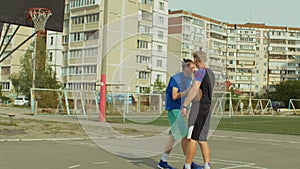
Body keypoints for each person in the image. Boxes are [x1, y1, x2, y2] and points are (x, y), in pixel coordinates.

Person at [158, 59, 198, 169]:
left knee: (173, 137)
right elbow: (174, 96)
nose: (193, 70)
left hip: (179, 110)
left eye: (194, 68)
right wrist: (188, 91)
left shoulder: (189, 79)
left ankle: (163, 161)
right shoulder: (176, 79)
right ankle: (188, 163)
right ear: (185, 68)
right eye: (191, 68)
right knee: (185, 135)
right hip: (174, 109)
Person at [181, 51, 215, 169]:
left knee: (192, 138)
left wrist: (185, 105)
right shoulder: (211, 73)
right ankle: (207, 165)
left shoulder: (200, 73)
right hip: (208, 107)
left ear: (196, 60)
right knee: (202, 139)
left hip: (199, 108)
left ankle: (188, 165)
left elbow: (195, 89)